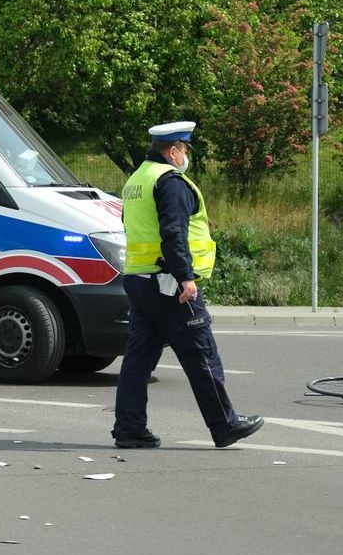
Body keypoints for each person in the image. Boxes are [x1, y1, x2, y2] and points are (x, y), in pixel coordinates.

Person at [111, 120, 263, 449]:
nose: (185, 156)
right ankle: (225, 425)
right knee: (202, 354)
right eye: (184, 150)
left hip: (139, 279)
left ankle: (129, 429)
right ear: (173, 150)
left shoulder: (136, 180)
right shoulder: (170, 181)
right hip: (168, 282)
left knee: (137, 361)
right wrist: (186, 277)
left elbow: (134, 225)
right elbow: (172, 233)